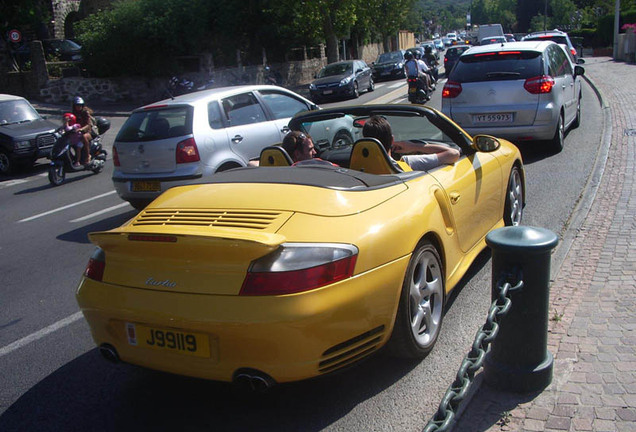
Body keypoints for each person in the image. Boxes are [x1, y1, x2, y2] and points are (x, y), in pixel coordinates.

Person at [362, 115, 459, 171]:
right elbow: (453, 154)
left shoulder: (356, 169)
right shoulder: (406, 163)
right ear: (392, 140)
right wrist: (415, 146)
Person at [71, 96, 95, 164]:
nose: (78, 107)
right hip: (77, 132)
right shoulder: (73, 113)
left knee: (84, 137)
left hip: (87, 132)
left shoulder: (85, 113)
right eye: (76, 105)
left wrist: (81, 129)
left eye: (80, 105)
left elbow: (88, 124)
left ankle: (88, 156)